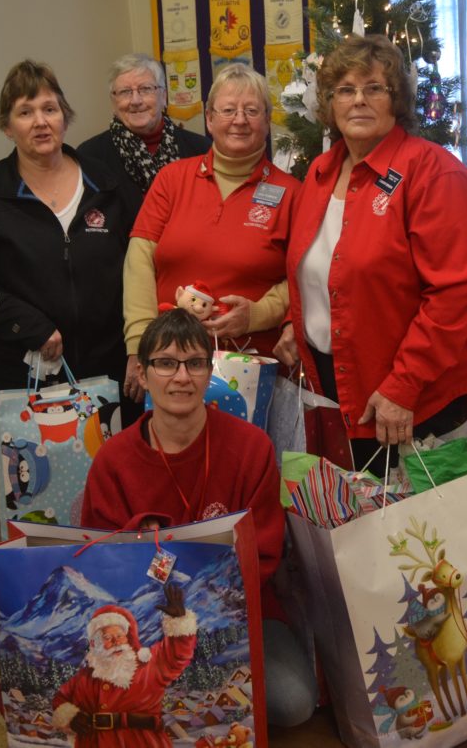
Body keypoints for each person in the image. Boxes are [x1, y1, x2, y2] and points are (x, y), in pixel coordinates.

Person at [82, 309, 316, 727]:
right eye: (166, 363)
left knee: (294, 703)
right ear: (143, 372)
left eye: (194, 363)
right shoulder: (112, 462)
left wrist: (210, 610)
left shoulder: (251, 447)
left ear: (210, 371)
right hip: (146, 628)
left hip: (238, 614)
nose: (181, 377)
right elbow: (102, 565)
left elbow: (264, 553)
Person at [273, 34, 467, 467]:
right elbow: (320, 269)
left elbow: (454, 297)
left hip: (413, 399)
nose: (358, 101)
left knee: (421, 533)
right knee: (357, 528)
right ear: (328, 104)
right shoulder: (319, 172)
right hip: (336, 387)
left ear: (397, 99)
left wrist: (403, 385)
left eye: (374, 88)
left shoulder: (434, 173)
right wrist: (304, 322)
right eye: (345, 90)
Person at [0, 59, 135, 410]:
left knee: (115, 465)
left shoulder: (106, 183)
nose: (41, 122)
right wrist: (27, 325)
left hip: (108, 369)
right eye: (25, 112)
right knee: (34, 466)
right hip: (22, 375)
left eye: (50, 108)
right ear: (7, 127)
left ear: (64, 117)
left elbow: (140, 265)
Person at [123, 62, 299, 403]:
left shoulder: (292, 193)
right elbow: (139, 263)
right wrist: (139, 344)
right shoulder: (172, 180)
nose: (239, 120)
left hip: (251, 368)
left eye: (252, 110)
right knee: (172, 454)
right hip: (169, 363)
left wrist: (256, 315)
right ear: (209, 118)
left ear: (267, 120)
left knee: (246, 456)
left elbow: (303, 277)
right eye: (228, 110)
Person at [51, 587, 196, 746]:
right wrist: (71, 717)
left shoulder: (148, 666)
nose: (115, 642)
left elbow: (177, 655)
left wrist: (179, 622)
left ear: (128, 638)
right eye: (107, 637)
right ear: (96, 644)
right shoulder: (85, 677)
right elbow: (60, 699)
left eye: (120, 636)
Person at [77, 53, 210, 214]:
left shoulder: (201, 150)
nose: (135, 101)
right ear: (113, 101)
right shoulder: (90, 156)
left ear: (164, 96)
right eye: (125, 92)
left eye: (145, 89)